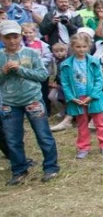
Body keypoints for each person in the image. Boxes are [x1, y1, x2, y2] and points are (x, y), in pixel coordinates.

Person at [0, 20, 59, 185]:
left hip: (32, 99)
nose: (12, 41)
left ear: (20, 36)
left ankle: (51, 167)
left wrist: (20, 69)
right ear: (2, 38)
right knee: (13, 138)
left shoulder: (31, 53)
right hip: (10, 102)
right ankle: (19, 169)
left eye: (15, 36)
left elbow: (42, 75)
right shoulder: (0, 56)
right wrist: (3, 73)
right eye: (7, 37)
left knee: (43, 134)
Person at [59, 33, 103, 159]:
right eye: (78, 47)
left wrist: (92, 95)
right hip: (77, 98)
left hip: (93, 97)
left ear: (88, 46)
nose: (81, 49)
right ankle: (83, 147)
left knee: (100, 122)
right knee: (82, 124)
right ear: (72, 47)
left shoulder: (93, 61)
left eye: (84, 46)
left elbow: (99, 80)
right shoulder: (66, 64)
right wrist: (71, 97)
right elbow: (65, 83)